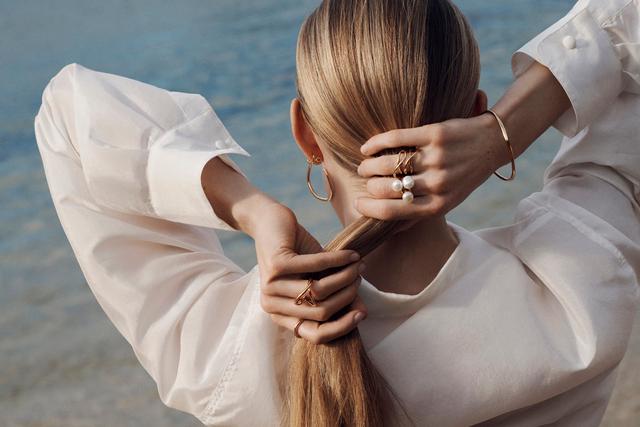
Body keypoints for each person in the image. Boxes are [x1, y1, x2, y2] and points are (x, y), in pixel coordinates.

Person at [34, 0, 639, 425]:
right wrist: (503, 133)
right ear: (473, 108)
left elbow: (69, 116)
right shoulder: (579, 288)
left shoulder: (226, 356)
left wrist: (255, 212)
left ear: (305, 133)